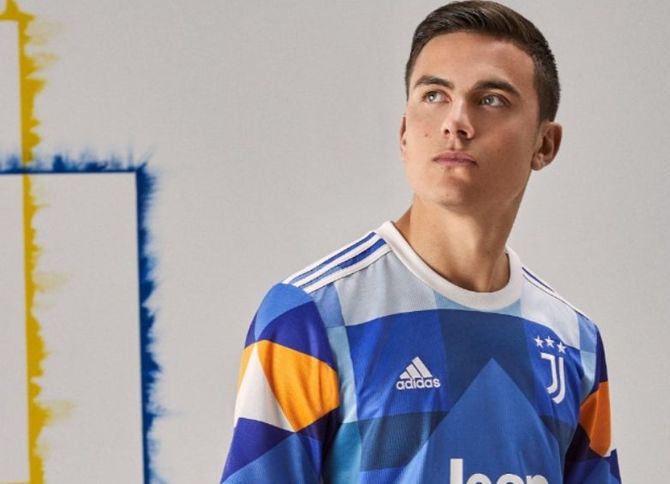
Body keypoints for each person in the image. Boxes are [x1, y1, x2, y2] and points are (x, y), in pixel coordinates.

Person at [221, 1, 620, 483]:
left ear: (545, 144)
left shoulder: (574, 341)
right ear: (404, 132)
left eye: (491, 99)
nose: (456, 122)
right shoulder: (311, 316)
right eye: (434, 95)